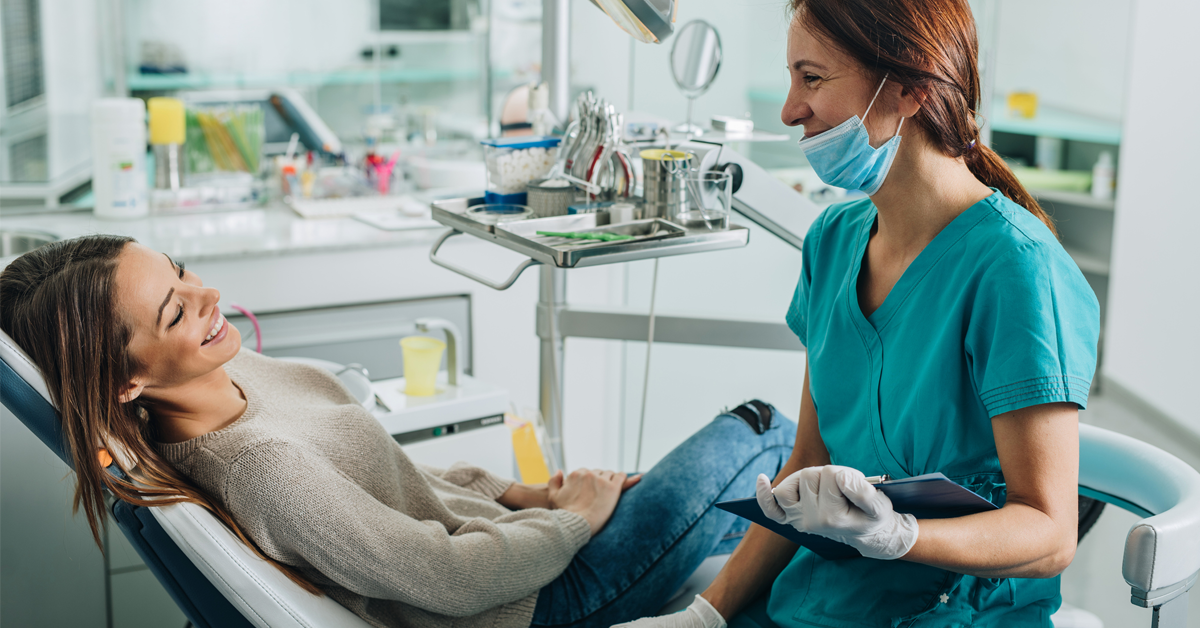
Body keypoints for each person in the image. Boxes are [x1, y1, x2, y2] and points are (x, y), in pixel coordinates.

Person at [0, 234, 797, 628]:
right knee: (758, 430)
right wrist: (572, 519)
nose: (206, 294)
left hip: (521, 545)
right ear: (127, 381)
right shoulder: (261, 469)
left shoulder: (233, 380)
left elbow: (397, 480)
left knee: (759, 544)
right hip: (530, 603)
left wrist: (518, 492)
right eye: (176, 310)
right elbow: (442, 578)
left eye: (179, 271)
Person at [620, 0, 1099, 626]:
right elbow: (808, 463)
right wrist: (702, 616)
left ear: (909, 86)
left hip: (952, 612)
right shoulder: (834, 240)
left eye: (812, 78)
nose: (791, 109)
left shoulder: (1016, 269)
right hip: (819, 600)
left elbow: (1050, 532)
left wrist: (902, 535)